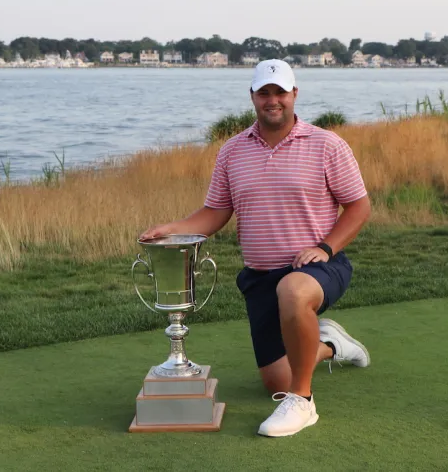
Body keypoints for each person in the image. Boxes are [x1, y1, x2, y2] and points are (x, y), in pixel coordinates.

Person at [139, 59, 372, 437]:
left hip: (318, 266)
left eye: (280, 92)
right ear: (252, 97)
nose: (273, 100)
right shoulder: (233, 151)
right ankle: (330, 343)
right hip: (260, 277)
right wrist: (173, 228)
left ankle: (304, 402)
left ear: (295, 94)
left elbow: (359, 206)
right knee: (275, 381)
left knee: (292, 291)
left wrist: (326, 248)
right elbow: (216, 211)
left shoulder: (327, 144)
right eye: (264, 92)